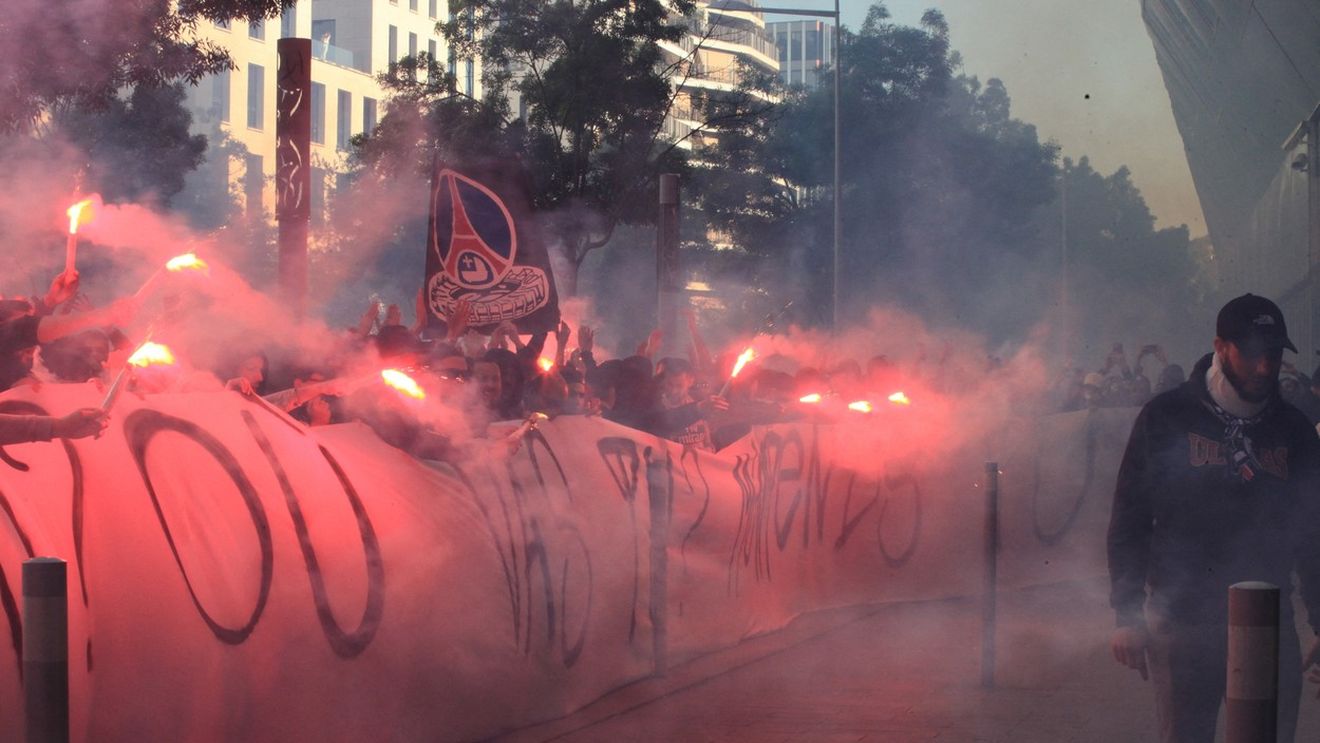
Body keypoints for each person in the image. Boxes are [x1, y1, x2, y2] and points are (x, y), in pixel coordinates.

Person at [1107, 293, 1320, 743]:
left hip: (1269, 618)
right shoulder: (1166, 416)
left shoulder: (1293, 429)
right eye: (1255, 354)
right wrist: (1126, 614)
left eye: (1275, 355)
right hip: (1182, 618)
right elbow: (1130, 516)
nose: (1266, 369)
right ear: (1222, 347)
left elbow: (1313, 532)